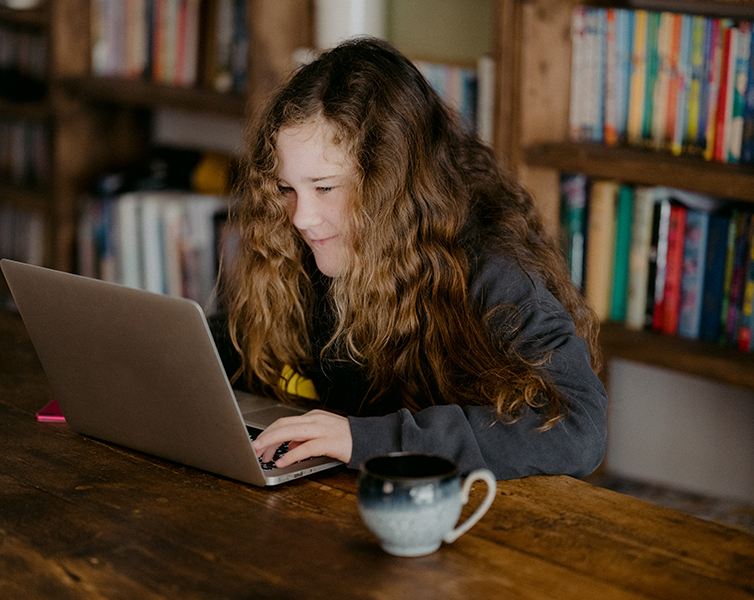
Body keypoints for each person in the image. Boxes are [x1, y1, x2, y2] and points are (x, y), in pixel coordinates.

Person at [209, 37, 607, 480]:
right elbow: (234, 345)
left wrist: (365, 439)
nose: (302, 218)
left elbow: (577, 427)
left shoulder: (492, 268)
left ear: (392, 184)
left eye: (325, 188)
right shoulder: (311, 246)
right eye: (287, 189)